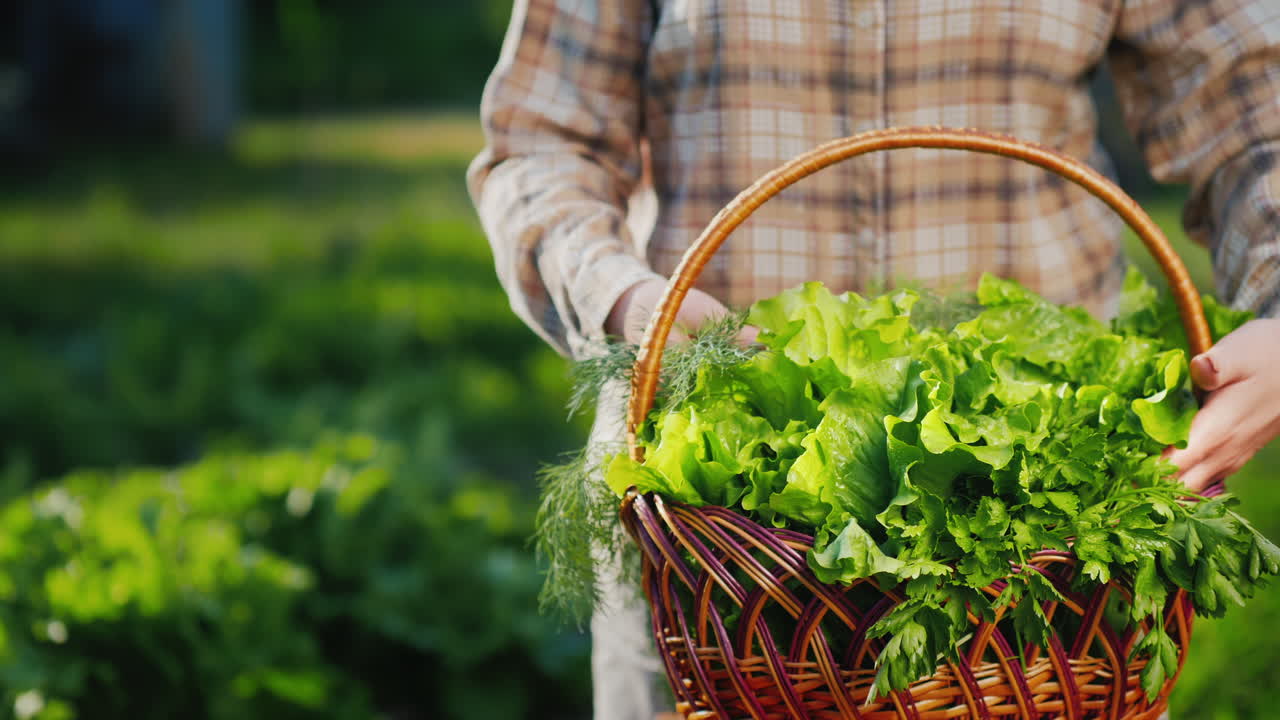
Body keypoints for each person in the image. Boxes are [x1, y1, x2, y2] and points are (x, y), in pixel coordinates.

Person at [468, 1, 1280, 718]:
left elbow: (1257, 121)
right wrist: (622, 299)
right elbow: (541, 143)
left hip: (1047, 570)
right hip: (717, 558)